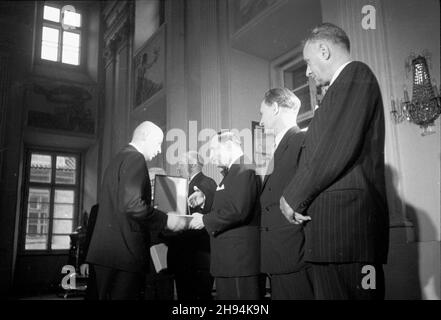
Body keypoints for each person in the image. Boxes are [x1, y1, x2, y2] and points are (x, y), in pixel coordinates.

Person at [279, 23, 389, 300]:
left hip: (347, 231)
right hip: (332, 233)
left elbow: (334, 148)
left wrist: (292, 196)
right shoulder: (339, 87)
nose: (307, 71)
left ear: (324, 51)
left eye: (307, 61)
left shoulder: (355, 74)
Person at [86, 121, 186, 300]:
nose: (160, 150)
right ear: (145, 137)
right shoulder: (135, 158)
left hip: (105, 254)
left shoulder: (119, 158)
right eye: (158, 143)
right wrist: (166, 220)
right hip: (124, 255)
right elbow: (132, 205)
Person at [189, 132, 262, 300]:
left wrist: (204, 220)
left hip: (238, 261)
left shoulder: (244, 168)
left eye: (215, 149)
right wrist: (205, 199)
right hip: (231, 260)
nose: (212, 156)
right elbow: (231, 202)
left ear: (229, 145)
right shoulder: (235, 171)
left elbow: (238, 210)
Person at [258, 88, 314, 300]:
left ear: (274, 108)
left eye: (262, 113)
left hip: (292, 251)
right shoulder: (278, 146)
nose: (261, 121)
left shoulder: (302, 139)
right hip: (279, 252)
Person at [164, 151, 217, 300]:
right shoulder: (183, 184)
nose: (178, 169)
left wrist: (202, 195)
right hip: (184, 257)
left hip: (198, 257)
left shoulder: (206, 182)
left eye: (180, 164)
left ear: (193, 165)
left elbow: (207, 191)